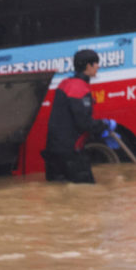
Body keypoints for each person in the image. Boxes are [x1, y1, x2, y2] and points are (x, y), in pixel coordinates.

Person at [42, 49, 116, 183]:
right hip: (71, 154)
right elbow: (83, 123)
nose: (98, 66)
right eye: (96, 64)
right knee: (86, 194)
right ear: (88, 66)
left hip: (53, 152)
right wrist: (105, 124)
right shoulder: (80, 89)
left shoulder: (64, 84)